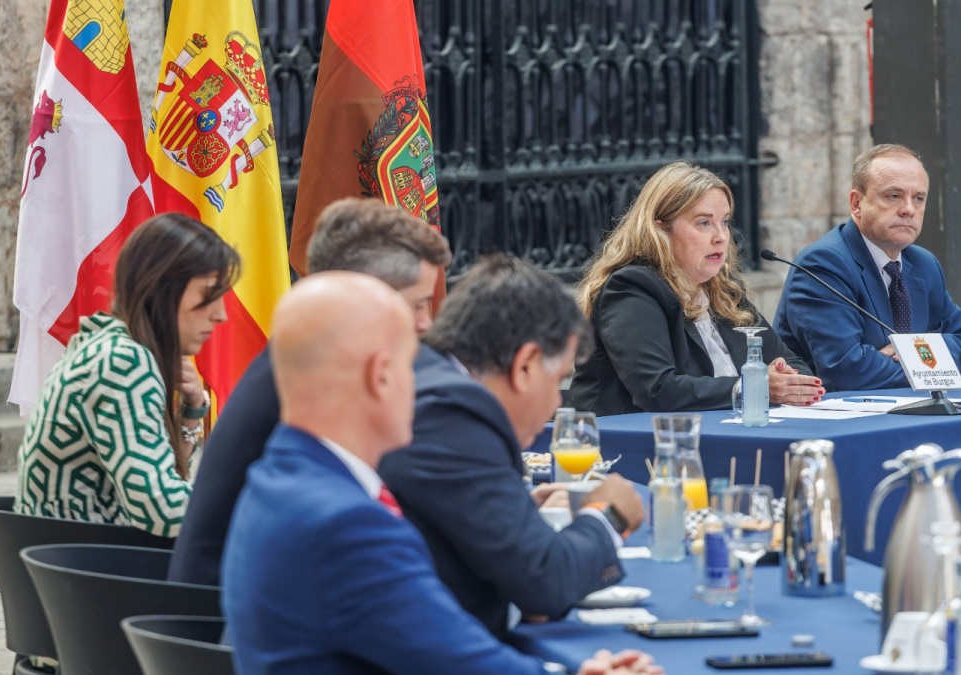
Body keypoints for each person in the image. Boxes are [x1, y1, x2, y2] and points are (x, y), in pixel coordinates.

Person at [223, 272, 662, 675]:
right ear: (381, 376)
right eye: (410, 362)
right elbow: (462, 664)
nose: (424, 383)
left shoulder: (275, 477)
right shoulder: (346, 525)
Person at [169, 197, 451, 585]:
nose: (425, 324)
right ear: (370, 295)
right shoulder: (322, 373)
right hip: (225, 616)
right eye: (418, 305)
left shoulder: (300, 354)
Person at [379, 255, 646, 640]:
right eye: (557, 380)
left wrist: (515, 512)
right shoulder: (451, 419)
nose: (557, 402)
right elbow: (544, 585)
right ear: (525, 365)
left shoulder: (430, 380)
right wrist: (608, 516)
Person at [15, 213, 239, 537]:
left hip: (83, 564)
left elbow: (169, 484)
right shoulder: (121, 363)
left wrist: (192, 411)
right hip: (91, 573)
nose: (220, 314)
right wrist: (266, 510)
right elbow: (165, 512)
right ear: (162, 289)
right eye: (209, 295)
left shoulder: (110, 345)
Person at [569, 161, 821, 416]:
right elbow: (658, 390)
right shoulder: (632, 288)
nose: (721, 236)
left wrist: (785, 378)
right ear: (661, 230)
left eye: (724, 222)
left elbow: (796, 366)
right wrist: (756, 385)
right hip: (629, 443)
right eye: (704, 223)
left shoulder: (724, 292)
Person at [771, 144, 961, 391]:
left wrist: (911, 350)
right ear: (856, 203)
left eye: (918, 198)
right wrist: (932, 366)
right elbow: (845, 370)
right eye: (893, 196)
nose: (909, 209)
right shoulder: (823, 264)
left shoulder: (924, 264)